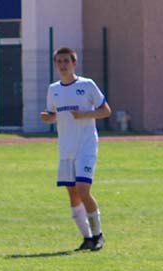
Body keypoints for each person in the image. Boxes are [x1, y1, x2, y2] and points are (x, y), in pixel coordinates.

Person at [40, 47, 112, 251]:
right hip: (66, 149)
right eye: (59, 61)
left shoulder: (87, 85)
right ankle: (87, 238)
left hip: (86, 147)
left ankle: (98, 235)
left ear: (74, 63)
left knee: (83, 190)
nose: (63, 65)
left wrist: (85, 114)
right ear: (55, 65)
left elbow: (106, 111)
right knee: (72, 194)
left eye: (66, 61)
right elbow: (54, 115)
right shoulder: (53, 89)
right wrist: (48, 118)